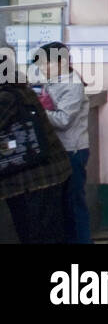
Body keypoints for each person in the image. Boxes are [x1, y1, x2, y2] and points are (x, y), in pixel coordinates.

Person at [30, 43, 91, 243]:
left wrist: (37, 112)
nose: (43, 69)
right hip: (60, 150)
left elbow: (64, 120)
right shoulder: (52, 82)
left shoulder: (72, 85)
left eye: (46, 63)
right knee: (65, 204)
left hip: (73, 150)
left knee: (74, 204)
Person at [0, 78, 71, 243]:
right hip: (44, 174)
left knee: (38, 235)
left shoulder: (7, 97)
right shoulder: (19, 89)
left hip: (33, 179)